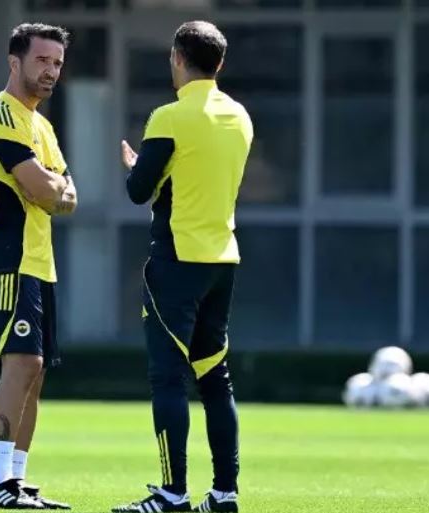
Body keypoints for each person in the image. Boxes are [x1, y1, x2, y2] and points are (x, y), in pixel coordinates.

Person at [112, 21, 253, 513]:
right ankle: (225, 493)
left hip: (176, 261)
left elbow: (139, 191)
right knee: (215, 378)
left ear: (176, 57)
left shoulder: (168, 118)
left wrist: (138, 165)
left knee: (169, 379)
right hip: (222, 262)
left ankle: (173, 494)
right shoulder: (239, 116)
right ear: (220, 63)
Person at [0, 22, 77, 510]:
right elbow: (44, 189)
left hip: (40, 264)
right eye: (42, 61)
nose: (51, 71)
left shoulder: (43, 128)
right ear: (15, 62)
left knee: (37, 373)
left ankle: (16, 479)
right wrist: (50, 187)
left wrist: (51, 188)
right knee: (23, 363)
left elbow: (68, 197)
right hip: (7, 260)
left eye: (57, 63)